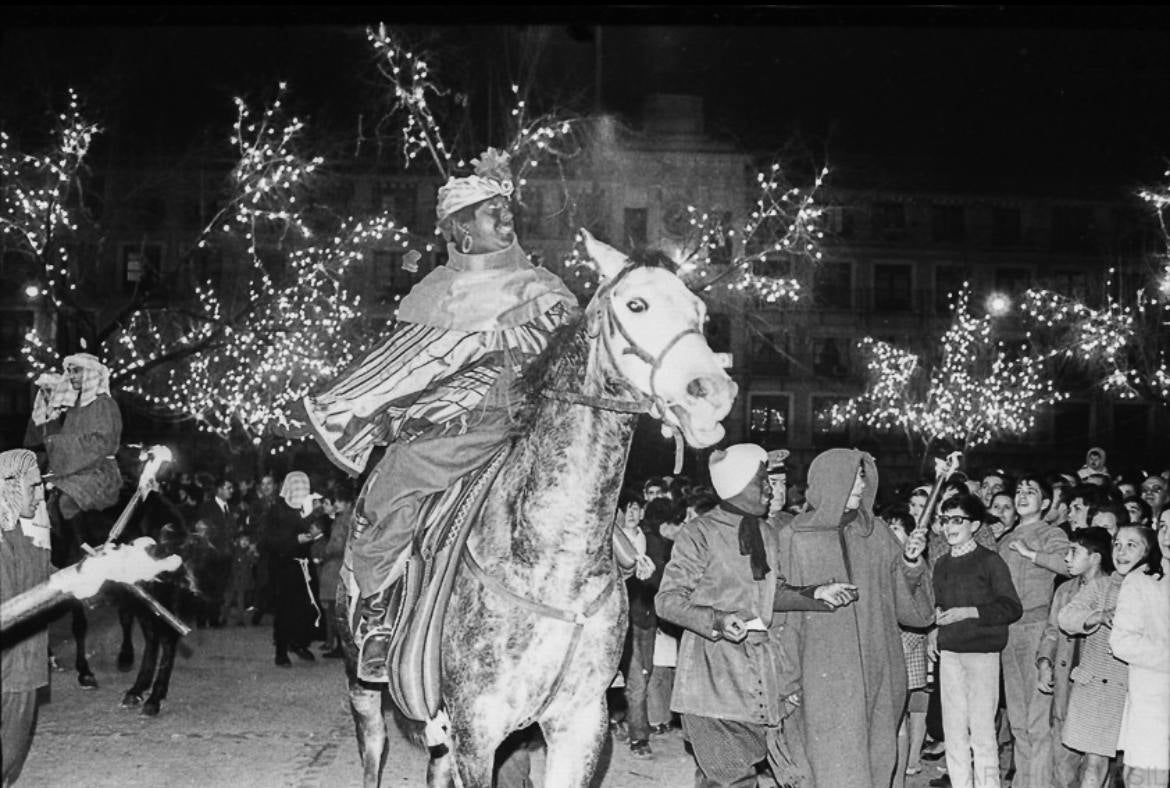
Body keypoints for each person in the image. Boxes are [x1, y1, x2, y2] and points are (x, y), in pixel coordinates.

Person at [291, 149, 577, 682]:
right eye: (492, 209)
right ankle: (377, 615)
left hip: (533, 428)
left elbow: (576, 355)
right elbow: (404, 370)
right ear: (462, 229)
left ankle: (596, 629)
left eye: (505, 207)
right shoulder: (434, 294)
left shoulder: (543, 286)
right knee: (387, 494)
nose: (505, 214)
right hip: (454, 431)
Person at [656, 443, 860, 788]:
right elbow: (668, 600)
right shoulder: (699, 533)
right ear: (738, 485)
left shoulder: (765, 533)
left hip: (757, 679)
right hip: (711, 679)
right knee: (732, 778)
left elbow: (770, 593)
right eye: (762, 481)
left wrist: (814, 594)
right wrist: (718, 620)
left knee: (728, 776)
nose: (771, 489)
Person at [775, 448, 935, 788]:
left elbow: (912, 611)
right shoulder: (795, 536)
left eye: (864, 478)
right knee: (830, 764)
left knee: (876, 760)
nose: (862, 487)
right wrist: (786, 679)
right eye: (854, 479)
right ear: (829, 481)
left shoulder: (877, 533)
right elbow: (783, 611)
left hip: (879, 670)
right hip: (822, 674)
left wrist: (910, 564)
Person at [927, 492, 1022, 788]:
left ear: (975, 524)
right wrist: (933, 630)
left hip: (982, 654)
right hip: (950, 653)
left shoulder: (990, 561)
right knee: (953, 731)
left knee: (982, 732)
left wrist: (968, 612)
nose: (949, 527)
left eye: (958, 520)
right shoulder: (941, 563)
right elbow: (937, 605)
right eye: (945, 520)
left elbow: (1011, 607)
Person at [1058, 524, 1157, 788]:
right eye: (1117, 544)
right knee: (1093, 762)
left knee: (1138, 767)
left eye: (1131, 545)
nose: (1121, 552)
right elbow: (1066, 617)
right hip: (1097, 688)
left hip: (1137, 691)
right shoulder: (1101, 586)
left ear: (1149, 551)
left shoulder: (1156, 587)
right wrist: (1098, 616)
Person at [996, 474, 1069, 788]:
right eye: (1019, 491)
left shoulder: (1052, 533)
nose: (1023, 495)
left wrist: (1032, 555)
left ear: (1046, 502)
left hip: (1037, 628)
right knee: (1018, 720)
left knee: (1039, 722)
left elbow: (1068, 564)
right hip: (1008, 632)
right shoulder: (1003, 540)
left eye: (1031, 491)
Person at [1036, 526, 1113, 788]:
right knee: (1062, 764)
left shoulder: (1113, 592)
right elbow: (1051, 632)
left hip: (1096, 690)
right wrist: (1045, 663)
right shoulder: (1065, 590)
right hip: (1065, 687)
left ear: (1095, 557)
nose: (1066, 558)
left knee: (1095, 764)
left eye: (1073, 551)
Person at [0, 449, 50, 786]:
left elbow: (42, 579)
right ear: (10, 488)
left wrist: (92, 572)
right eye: (33, 487)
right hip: (9, 667)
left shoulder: (20, 532)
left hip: (23, 665)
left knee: (11, 756)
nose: (41, 494)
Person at [1110, 512, 1169, 788]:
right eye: (1164, 527)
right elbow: (1121, 642)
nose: (1167, 536)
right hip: (1154, 702)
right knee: (1149, 778)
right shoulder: (1142, 580)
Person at [262, 472, 322, 667]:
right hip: (284, 567)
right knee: (285, 610)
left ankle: (300, 643)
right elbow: (270, 540)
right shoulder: (276, 510)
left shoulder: (306, 506)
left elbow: (310, 527)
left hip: (304, 564)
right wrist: (294, 540)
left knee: (306, 608)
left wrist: (314, 533)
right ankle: (281, 651)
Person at [314, 488, 352, 658]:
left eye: (337, 501)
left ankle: (339, 645)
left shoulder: (342, 521)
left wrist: (323, 553)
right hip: (348, 564)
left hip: (336, 566)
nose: (335, 504)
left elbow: (336, 545)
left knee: (335, 608)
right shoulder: (354, 517)